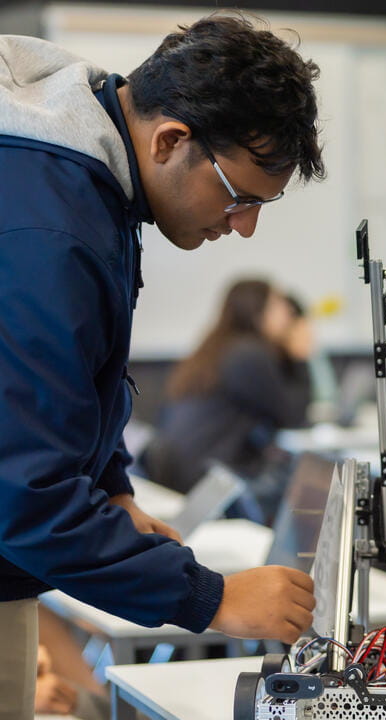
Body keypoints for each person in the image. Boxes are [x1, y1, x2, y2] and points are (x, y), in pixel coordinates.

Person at [0, 15, 324, 720]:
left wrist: (112, 486)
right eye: (240, 199)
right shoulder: (49, 229)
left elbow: (68, 385)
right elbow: (27, 496)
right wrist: (215, 599)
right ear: (171, 140)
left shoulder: (88, 177)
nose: (244, 227)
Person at [143, 278, 313, 521]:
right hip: (213, 482)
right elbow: (292, 416)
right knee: (305, 490)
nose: (288, 313)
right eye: (278, 305)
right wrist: (300, 357)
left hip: (191, 473)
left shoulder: (222, 348)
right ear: (257, 312)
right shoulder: (248, 354)